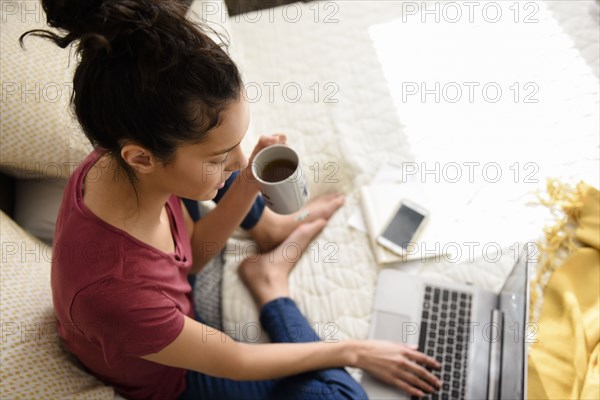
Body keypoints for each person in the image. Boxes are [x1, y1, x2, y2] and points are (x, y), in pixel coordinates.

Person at [23, 0, 442, 399]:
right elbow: (235, 359)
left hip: (167, 304)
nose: (241, 162)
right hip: (177, 379)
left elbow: (193, 257)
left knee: (219, 173)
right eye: (222, 155)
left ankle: (268, 228)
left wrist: (246, 182)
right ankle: (270, 284)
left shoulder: (119, 165)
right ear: (141, 157)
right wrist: (353, 351)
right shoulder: (115, 294)